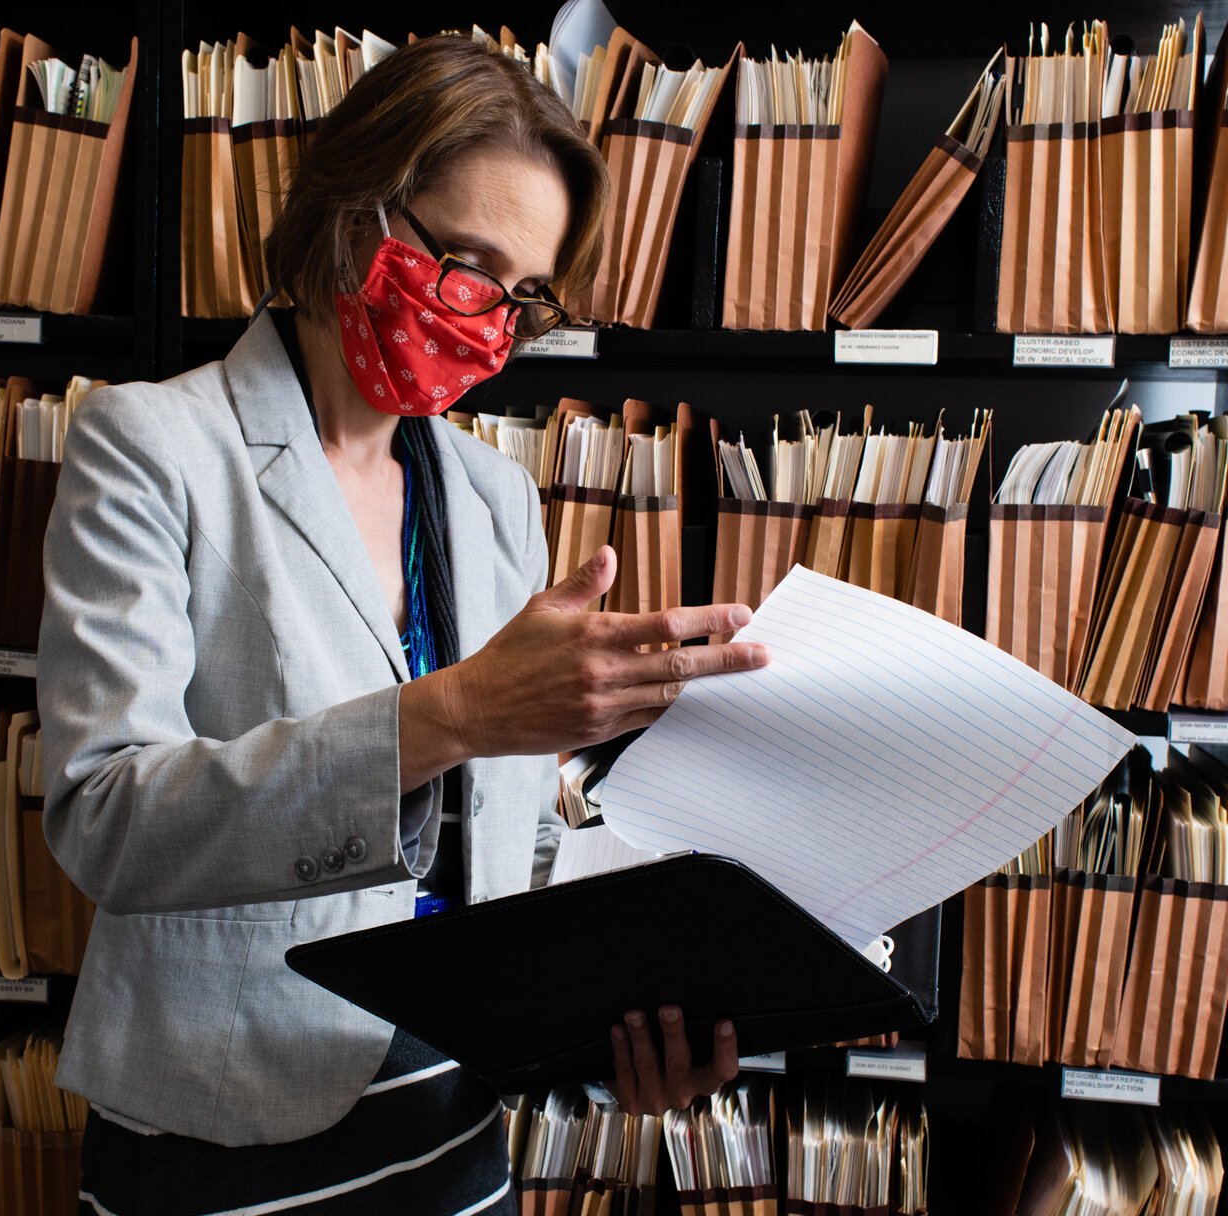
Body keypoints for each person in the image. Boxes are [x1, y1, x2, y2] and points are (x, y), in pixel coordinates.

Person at [38, 33, 770, 1216]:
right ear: (354, 204)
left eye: (522, 294)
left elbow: (511, 840)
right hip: (224, 1130)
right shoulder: (150, 447)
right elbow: (104, 820)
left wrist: (623, 1014)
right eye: (465, 261)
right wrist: (461, 710)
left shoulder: (491, 500)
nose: (486, 320)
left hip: (458, 1126)